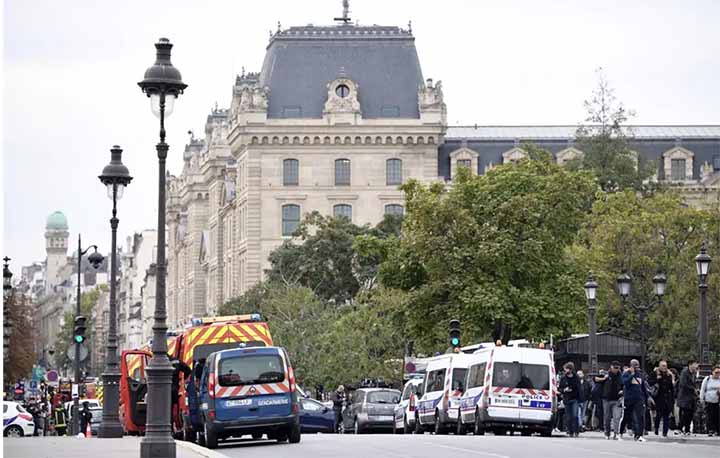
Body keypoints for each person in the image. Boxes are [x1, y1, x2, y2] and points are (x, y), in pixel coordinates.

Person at [622, 361, 648, 442]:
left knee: (640, 416)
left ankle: (639, 434)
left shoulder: (640, 375)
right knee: (629, 416)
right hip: (629, 399)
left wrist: (648, 397)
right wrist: (632, 375)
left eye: (637, 366)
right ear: (631, 366)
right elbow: (625, 383)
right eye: (635, 366)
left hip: (639, 399)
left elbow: (643, 387)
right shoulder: (626, 374)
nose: (636, 367)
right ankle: (627, 429)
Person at [597, 361, 623, 440]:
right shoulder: (606, 374)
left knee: (617, 417)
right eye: (615, 368)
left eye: (618, 368)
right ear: (611, 367)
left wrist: (622, 391)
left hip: (617, 399)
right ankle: (607, 432)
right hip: (606, 399)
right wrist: (604, 378)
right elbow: (595, 379)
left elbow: (624, 385)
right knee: (607, 417)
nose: (616, 369)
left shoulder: (621, 376)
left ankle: (616, 433)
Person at [650, 360, 675, 437]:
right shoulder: (655, 373)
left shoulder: (669, 375)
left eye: (665, 365)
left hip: (667, 398)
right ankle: (656, 428)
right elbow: (650, 382)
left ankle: (665, 432)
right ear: (659, 366)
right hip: (658, 398)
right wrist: (657, 379)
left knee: (666, 416)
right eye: (663, 365)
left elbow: (671, 387)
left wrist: (672, 398)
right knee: (658, 415)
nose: (664, 367)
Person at [676, 360, 699, 436]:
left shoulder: (694, 373)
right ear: (690, 365)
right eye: (695, 364)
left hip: (691, 397)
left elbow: (694, 383)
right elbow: (683, 383)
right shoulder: (685, 372)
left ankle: (687, 429)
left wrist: (696, 390)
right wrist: (693, 389)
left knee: (690, 414)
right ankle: (680, 428)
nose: (696, 366)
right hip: (684, 396)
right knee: (685, 414)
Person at [559, 362, 581, 437]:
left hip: (575, 398)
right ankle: (570, 431)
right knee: (568, 416)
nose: (565, 371)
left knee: (575, 415)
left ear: (570, 369)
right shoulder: (563, 378)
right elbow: (560, 388)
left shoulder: (576, 377)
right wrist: (564, 390)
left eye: (566, 369)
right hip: (567, 398)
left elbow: (579, 388)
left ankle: (576, 431)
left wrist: (579, 397)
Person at [699, 365, 720, 437]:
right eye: (716, 372)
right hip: (709, 400)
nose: (718, 374)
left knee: (717, 416)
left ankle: (717, 430)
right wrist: (701, 399)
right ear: (712, 372)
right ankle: (710, 429)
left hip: (717, 400)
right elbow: (703, 389)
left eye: (719, 373)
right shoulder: (707, 379)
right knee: (710, 416)